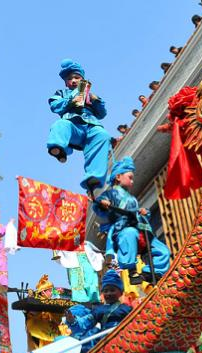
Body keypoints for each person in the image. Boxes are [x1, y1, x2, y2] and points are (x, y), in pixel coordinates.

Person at [92, 157, 171, 285]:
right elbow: (99, 204)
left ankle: (152, 272)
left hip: (141, 229)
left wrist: (144, 212)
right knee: (129, 233)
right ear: (118, 177)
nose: (132, 181)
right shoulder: (111, 194)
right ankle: (132, 271)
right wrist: (103, 203)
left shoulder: (132, 198)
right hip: (123, 230)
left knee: (163, 250)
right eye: (130, 177)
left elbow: (136, 212)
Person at [47, 59, 111, 191]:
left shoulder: (90, 95)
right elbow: (54, 106)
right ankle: (58, 148)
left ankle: (93, 176)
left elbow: (102, 114)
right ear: (66, 82)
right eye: (70, 79)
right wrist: (70, 100)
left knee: (103, 135)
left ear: (82, 79)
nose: (73, 81)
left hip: (91, 125)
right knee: (61, 125)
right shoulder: (62, 93)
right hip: (73, 125)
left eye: (77, 77)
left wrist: (96, 100)